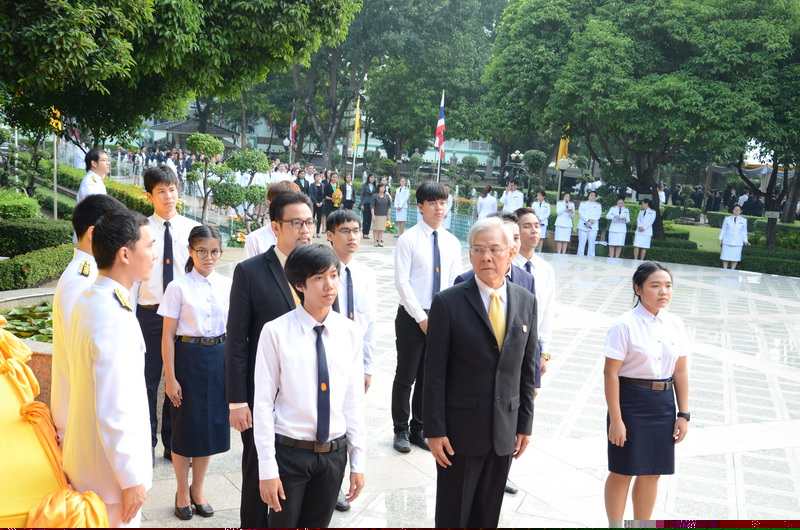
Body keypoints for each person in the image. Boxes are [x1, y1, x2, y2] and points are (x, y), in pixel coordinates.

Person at [424, 217, 537, 528]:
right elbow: (433, 372)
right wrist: (434, 430)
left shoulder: (526, 301)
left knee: (487, 516)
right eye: (478, 249)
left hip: (504, 431)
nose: (486, 257)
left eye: (494, 249)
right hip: (458, 433)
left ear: (511, 253)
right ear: (470, 254)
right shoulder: (448, 302)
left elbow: (526, 369)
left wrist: (525, 423)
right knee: (454, 515)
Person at [254, 244, 366, 527]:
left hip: (334, 454)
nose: (329, 285)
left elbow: (353, 400)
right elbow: (263, 403)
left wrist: (358, 461)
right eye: (318, 278)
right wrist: (267, 468)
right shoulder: (276, 332)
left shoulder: (350, 332)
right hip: (290, 453)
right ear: (299, 285)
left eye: (333, 275)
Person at [226, 191, 317, 528]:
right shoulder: (250, 271)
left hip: (306, 393)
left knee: (296, 472)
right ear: (276, 227)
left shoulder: (320, 269)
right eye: (297, 223)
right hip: (261, 393)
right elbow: (237, 339)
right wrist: (238, 401)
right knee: (257, 469)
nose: (305, 230)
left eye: (309, 222)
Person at [63, 209, 155, 528]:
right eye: (149, 246)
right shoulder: (111, 314)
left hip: (93, 465)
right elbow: (114, 406)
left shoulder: (93, 296)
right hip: (110, 479)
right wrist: (131, 479)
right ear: (125, 254)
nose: (154, 255)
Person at [603, 261, 689, 525]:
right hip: (630, 403)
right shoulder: (623, 325)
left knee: (652, 472)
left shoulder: (675, 324)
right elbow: (610, 374)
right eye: (655, 285)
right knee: (623, 471)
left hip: (662, 404)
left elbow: (680, 371)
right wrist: (616, 420)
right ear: (638, 289)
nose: (663, 291)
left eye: (668, 286)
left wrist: (683, 414)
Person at [159, 226, 231, 521]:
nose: (208, 257)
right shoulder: (178, 287)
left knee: (209, 428)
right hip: (188, 358)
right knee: (186, 428)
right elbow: (167, 336)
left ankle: (198, 489)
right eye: (202, 251)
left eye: (214, 251)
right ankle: (182, 491)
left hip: (218, 359)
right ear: (190, 251)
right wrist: (171, 378)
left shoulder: (227, 284)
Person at [132, 166, 201, 463]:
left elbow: (197, 275)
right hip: (149, 315)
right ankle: (146, 443)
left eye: (172, 189)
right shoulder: (140, 231)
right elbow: (133, 278)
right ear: (149, 196)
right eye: (161, 191)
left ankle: (173, 443)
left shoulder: (192, 230)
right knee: (147, 381)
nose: (168, 196)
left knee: (179, 380)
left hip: (182, 318)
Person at [393, 181, 463, 453]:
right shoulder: (409, 239)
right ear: (420, 207)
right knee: (406, 376)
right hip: (412, 316)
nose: (438, 208)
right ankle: (400, 430)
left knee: (429, 376)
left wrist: (448, 317)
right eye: (432, 203)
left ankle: (418, 428)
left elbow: (455, 282)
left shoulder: (452, 242)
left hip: (441, 317)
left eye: (443, 202)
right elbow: (402, 282)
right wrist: (421, 317)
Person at [51, 195, 127, 447]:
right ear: (94, 233)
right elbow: (81, 353)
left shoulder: (93, 272)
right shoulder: (80, 279)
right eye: (116, 230)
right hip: (80, 415)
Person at [325, 209, 378, 512]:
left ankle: (340, 481)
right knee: (328, 422)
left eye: (356, 231)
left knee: (351, 422)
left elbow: (370, 324)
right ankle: (326, 485)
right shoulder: (321, 271)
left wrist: (367, 366)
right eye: (345, 231)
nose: (352, 237)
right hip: (324, 356)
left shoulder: (366, 275)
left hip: (353, 360)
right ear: (330, 235)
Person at [514, 207, 555, 395]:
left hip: (533, 345)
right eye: (527, 226)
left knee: (530, 396)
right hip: (509, 344)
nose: (534, 231)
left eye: (537, 226)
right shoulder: (506, 266)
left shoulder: (545, 269)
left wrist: (543, 352)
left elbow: (547, 312)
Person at [243, 180, 301, 258]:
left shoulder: (302, 237)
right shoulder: (255, 239)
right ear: (269, 204)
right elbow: (248, 265)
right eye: (283, 204)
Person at [718, 204, 750, 269]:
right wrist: (720, 239)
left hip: (738, 241)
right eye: (735, 209)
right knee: (725, 256)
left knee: (735, 257)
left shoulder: (744, 220)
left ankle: (733, 269)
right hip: (727, 240)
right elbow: (723, 229)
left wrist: (745, 241)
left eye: (738, 210)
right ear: (733, 210)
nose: (736, 211)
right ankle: (725, 269)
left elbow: (744, 231)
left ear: (741, 211)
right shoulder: (727, 219)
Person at [577, 190, 602, 257]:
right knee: (581, 243)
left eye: (594, 195)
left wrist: (591, 222)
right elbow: (581, 213)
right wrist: (588, 220)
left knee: (592, 243)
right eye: (591, 195)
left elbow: (598, 215)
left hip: (593, 226)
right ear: (588, 196)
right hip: (583, 225)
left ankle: (591, 257)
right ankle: (580, 256)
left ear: (596, 197)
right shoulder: (583, 204)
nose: (592, 196)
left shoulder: (598, 205)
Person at [370, 182, 392, 247]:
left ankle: (379, 242)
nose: (383, 189)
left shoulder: (387, 196)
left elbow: (389, 206)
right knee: (375, 229)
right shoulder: (375, 196)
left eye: (384, 187)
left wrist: (389, 215)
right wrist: (373, 215)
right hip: (376, 214)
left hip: (384, 214)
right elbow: (372, 206)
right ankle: (375, 241)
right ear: (378, 188)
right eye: (381, 187)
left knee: (381, 229)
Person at [360, 173, 377, 239]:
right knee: (365, 219)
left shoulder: (375, 186)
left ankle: (367, 233)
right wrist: (362, 204)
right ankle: (364, 233)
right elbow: (362, 195)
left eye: (373, 178)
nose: (372, 179)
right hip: (366, 203)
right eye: (371, 177)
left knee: (370, 219)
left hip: (372, 204)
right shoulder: (365, 185)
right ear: (368, 178)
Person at [311, 173, 326, 238]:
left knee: (319, 218)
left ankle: (318, 232)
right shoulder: (312, 185)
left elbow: (324, 195)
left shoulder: (323, 185)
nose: (318, 178)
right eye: (316, 176)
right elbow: (311, 195)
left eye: (319, 176)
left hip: (321, 204)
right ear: (314, 177)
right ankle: (312, 232)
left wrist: (322, 202)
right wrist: (316, 202)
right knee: (313, 218)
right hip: (314, 204)